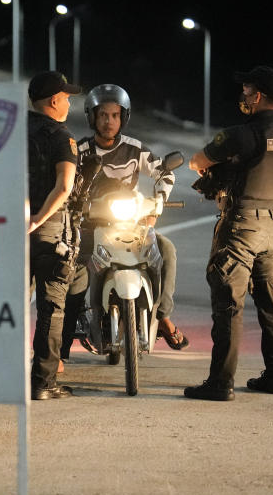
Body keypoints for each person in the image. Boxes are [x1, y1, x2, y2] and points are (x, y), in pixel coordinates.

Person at [184, 66, 273, 401]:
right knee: (270, 303)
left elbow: (197, 160)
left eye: (246, 91)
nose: (243, 97)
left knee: (229, 304)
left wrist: (220, 165)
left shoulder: (240, 134)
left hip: (241, 229)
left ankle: (220, 383)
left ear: (258, 95)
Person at [59, 84, 188, 367]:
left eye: (115, 115)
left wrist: (157, 205)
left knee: (166, 250)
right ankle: (62, 344)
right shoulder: (79, 150)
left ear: (123, 117)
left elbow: (165, 174)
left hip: (130, 225)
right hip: (91, 227)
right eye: (103, 115)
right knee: (73, 272)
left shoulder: (135, 149)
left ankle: (162, 315)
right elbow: (64, 184)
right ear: (92, 117)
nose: (109, 121)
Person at [26, 71, 83, 400]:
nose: (68, 103)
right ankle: (43, 383)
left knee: (12, 306)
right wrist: (38, 219)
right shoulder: (61, 136)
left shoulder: (11, 130)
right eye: (67, 98)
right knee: (51, 308)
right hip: (47, 230)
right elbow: (64, 187)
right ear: (53, 100)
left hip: (10, 227)